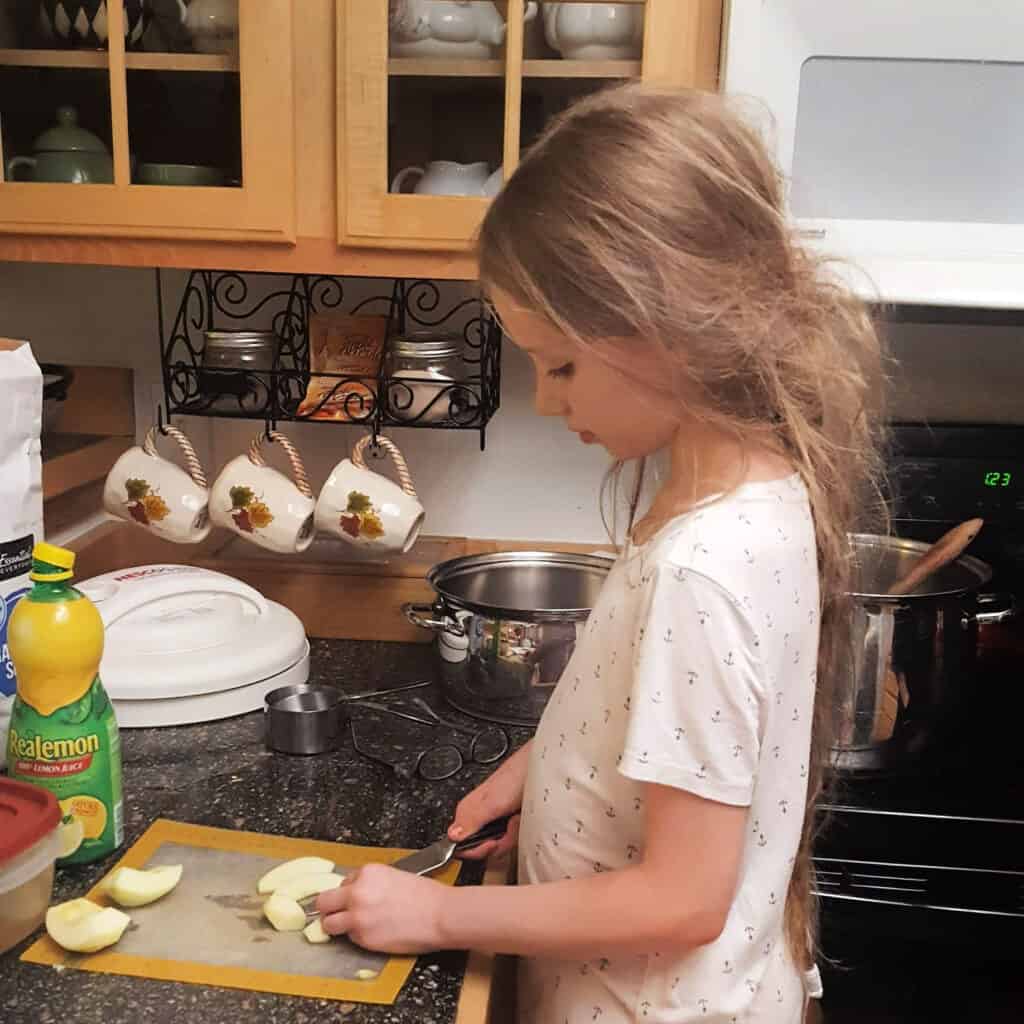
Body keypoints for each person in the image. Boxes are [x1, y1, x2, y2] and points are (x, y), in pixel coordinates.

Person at [317, 84, 886, 1023]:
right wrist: (539, 773)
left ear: (673, 326)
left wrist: (441, 914)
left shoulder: (704, 565)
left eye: (563, 364)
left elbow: (681, 901)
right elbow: (673, 734)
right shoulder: (749, 490)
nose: (547, 399)